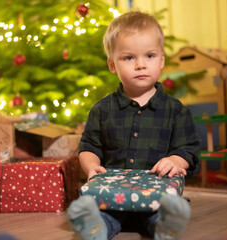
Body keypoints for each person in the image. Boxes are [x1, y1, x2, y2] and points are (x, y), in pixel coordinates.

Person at [67, 10, 201, 240]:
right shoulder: (101, 110)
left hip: (156, 196)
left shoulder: (176, 111)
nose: (140, 64)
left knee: (159, 214)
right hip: (112, 197)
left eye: (149, 55)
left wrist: (175, 161)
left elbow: (189, 150)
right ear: (112, 64)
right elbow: (89, 146)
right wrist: (91, 167)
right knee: (105, 215)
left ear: (161, 60)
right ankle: (95, 228)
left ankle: (165, 227)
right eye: (129, 58)